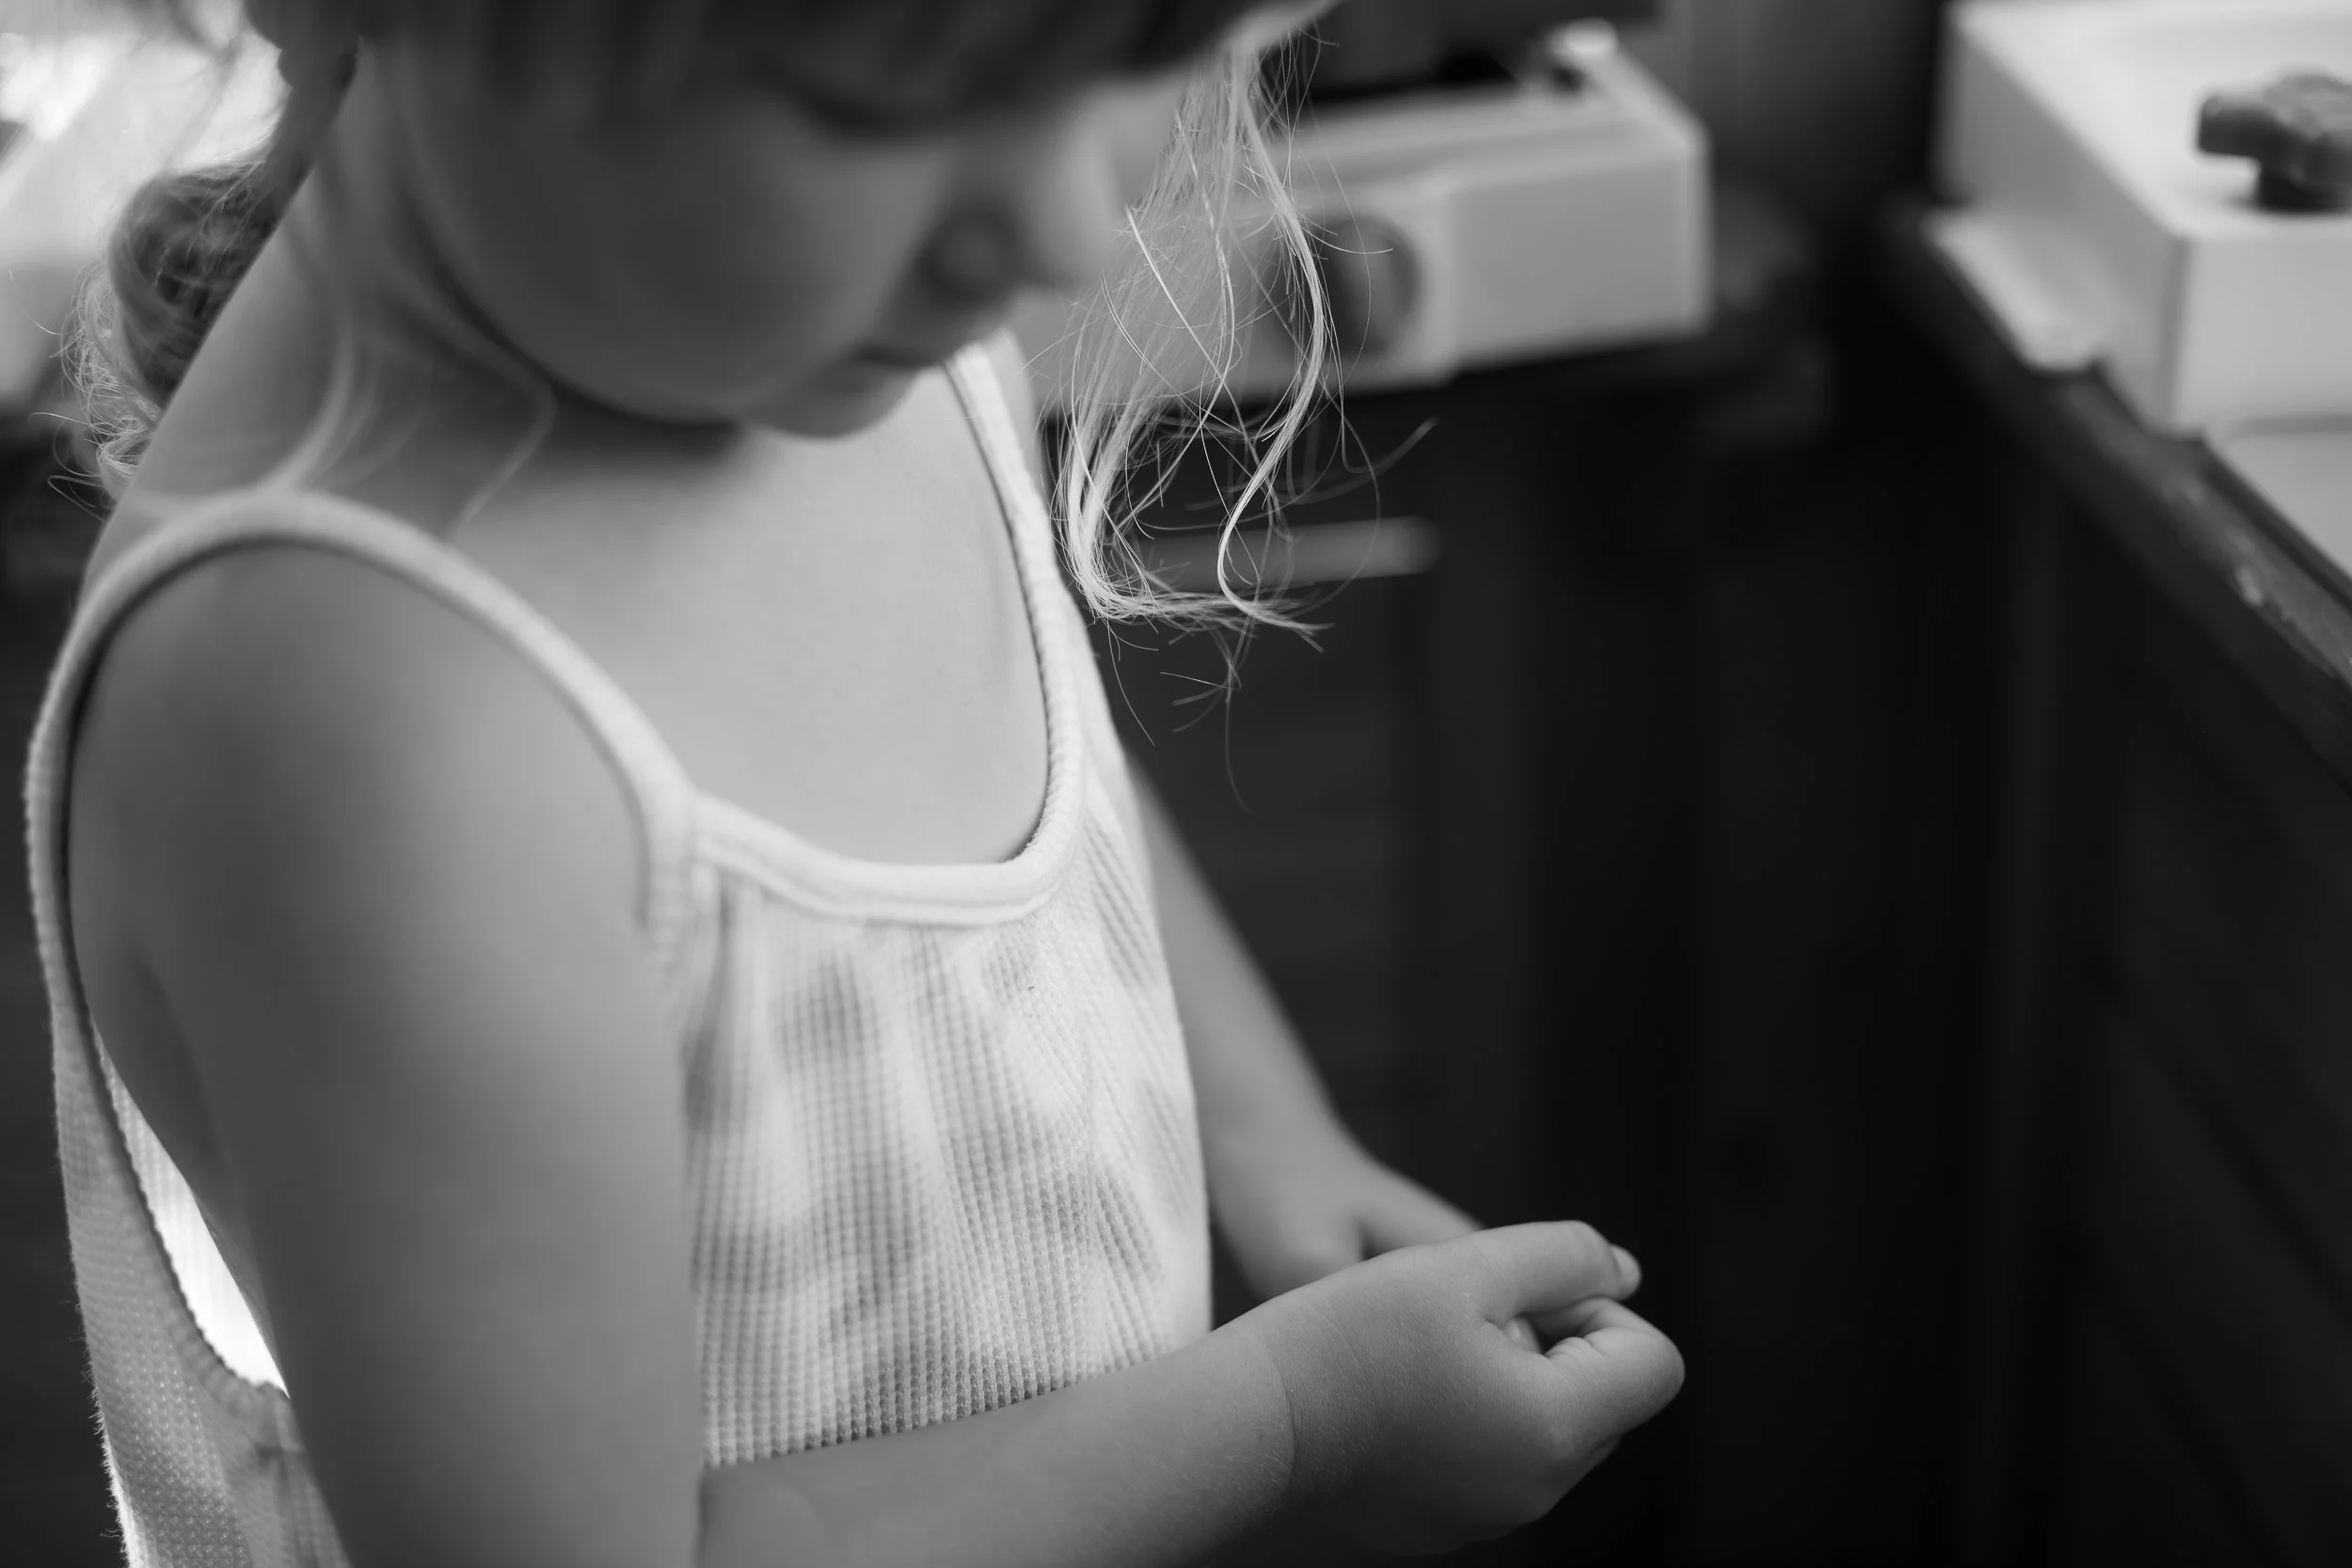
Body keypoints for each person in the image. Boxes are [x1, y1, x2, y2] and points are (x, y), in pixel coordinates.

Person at [24, 2, 1685, 1564]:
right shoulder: (356, 732)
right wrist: (1295, 1414)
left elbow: (1011, 758)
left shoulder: (852, 344)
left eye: (1148, 47)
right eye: (887, 105)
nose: (1064, 233)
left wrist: (1267, 1136)